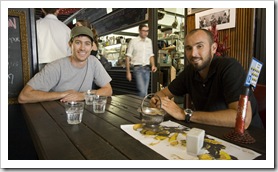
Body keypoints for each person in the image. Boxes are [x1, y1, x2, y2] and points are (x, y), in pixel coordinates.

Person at [152, 29, 263, 129]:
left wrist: (184, 114)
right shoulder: (189, 72)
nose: (193, 54)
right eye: (188, 48)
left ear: (213, 48)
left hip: (248, 141)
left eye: (199, 46)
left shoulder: (229, 67)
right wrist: (158, 101)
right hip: (210, 134)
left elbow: (242, 119)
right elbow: (162, 94)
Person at [18, 26, 112, 104]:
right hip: (54, 115)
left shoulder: (93, 62)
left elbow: (108, 90)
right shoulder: (56, 67)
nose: (82, 48)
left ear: (92, 47)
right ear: (70, 44)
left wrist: (83, 95)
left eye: (87, 44)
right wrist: (63, 94)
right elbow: (24, 96)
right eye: (78, 42)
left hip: (81, 114)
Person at [125, 24, 157, 97]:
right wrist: (128, 72)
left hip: (147, 68)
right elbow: (128, 56)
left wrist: (153, 65)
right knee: (142, 91)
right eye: (144, 31)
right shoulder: (133, 41)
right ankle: (141, 106)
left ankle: (142, 106)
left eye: (147, 31)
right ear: (139, 31)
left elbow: (151, 55)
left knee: (145, 92)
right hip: (137, 68)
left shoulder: (149, 41)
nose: (146, 33)